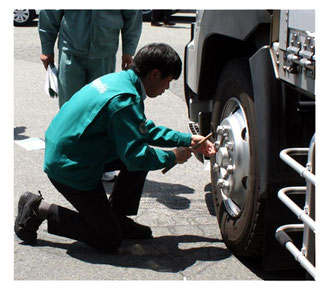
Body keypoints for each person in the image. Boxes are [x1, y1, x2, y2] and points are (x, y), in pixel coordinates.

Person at [14, 43, 215, 253]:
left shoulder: (120, 80)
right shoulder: (125, 100)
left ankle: (116, 216)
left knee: (140, 152)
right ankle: (38, 208)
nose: (166, 89)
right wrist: (172, 157)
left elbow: (141, 130)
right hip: (69, 165)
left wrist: (186, 139)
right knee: (109, 239)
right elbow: (136, 157)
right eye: (168, 82)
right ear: (155, 74)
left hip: (75, 150)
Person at [38, 10, 142, 181]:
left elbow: (132, 15)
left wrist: (129, 50)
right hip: (71, 49)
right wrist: (46, 47)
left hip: (105, 51)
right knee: (70, 109)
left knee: (102, 109)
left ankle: (100, 163)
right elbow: (50, 11)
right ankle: (67, 160)